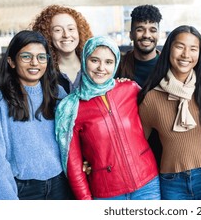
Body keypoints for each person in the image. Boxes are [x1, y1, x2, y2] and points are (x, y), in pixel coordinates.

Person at [55, 35, 159, 200]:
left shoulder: (130, 89)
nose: (101, 68)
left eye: (109, 62)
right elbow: (73, 165)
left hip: (148, 184)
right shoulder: (70, 108)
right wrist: (85, 200)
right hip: (107, 193)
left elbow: (158, 120)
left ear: (116, 63)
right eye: (94, 60)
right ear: (84, 60)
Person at [0, 30, 73, 200]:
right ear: (11, 61)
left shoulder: (57, 93)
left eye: (41, 57)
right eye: (26, 56)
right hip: (24, 189)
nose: (35, 63)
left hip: (61, 184)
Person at [137, 25, 201, 200]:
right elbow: (135, 146)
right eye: (180, 46)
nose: (186, 55)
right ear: (169, 49)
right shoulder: (151, 98)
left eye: (193, 49)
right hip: (171, 182)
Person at [116, 4, 163, 168]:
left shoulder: (170, 66)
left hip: (164, 150)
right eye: (140, 29)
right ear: (131, 34)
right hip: (128, 150)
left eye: (152, 29)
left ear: (158, 33)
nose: (147, 35)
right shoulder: (117, 67)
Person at [31, 4, 93, 94]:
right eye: (58, 30)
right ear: (47, 35)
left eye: (71, 29)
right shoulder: (42, 72)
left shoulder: (94, 66)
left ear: (80, 32)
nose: (66, 35)